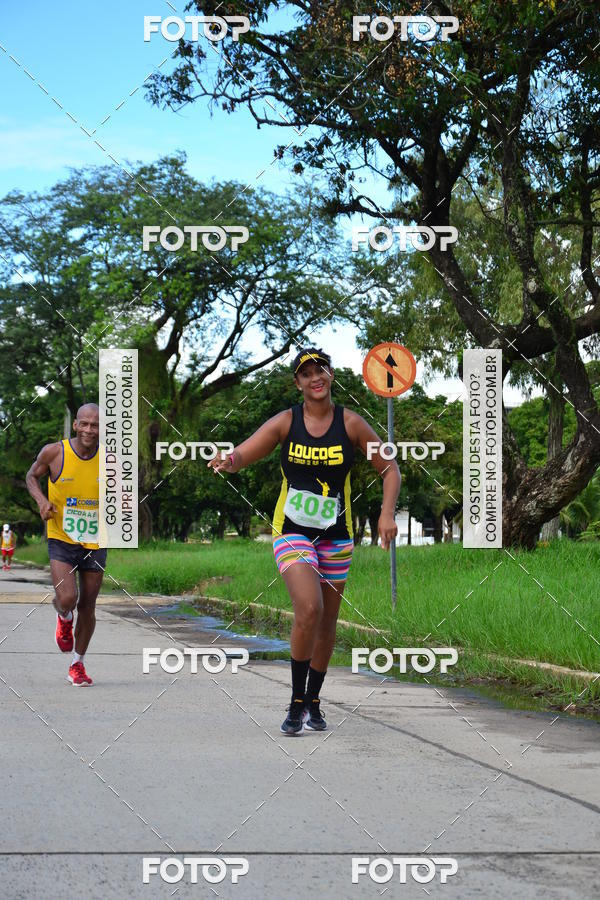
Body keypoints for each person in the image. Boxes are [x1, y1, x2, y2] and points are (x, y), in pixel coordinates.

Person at [208, 349, 400, 735]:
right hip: (292, 531)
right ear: (297, 383)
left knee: (328, 619)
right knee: (309, 608)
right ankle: (296, 703)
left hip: (336, 536)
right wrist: (228, 460)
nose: (316, 378)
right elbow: (246, 452)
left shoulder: (351, 424)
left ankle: (314, 700)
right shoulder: (285, 422)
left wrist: (386, 514)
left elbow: (391, 469)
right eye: (307, 373)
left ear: (331, 376)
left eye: (321, 370)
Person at [25, 403, 105, 686]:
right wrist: (41, 501)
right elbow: (32, 476)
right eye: (84, 424)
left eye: (95, 425)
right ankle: (63, 614)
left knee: (89, 604)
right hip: (61, 536)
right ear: (75, 425)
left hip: (95, 540)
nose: (89, 430)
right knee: (69, 597)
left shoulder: (111, 459)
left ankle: (77, 664)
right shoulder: (55, 452)